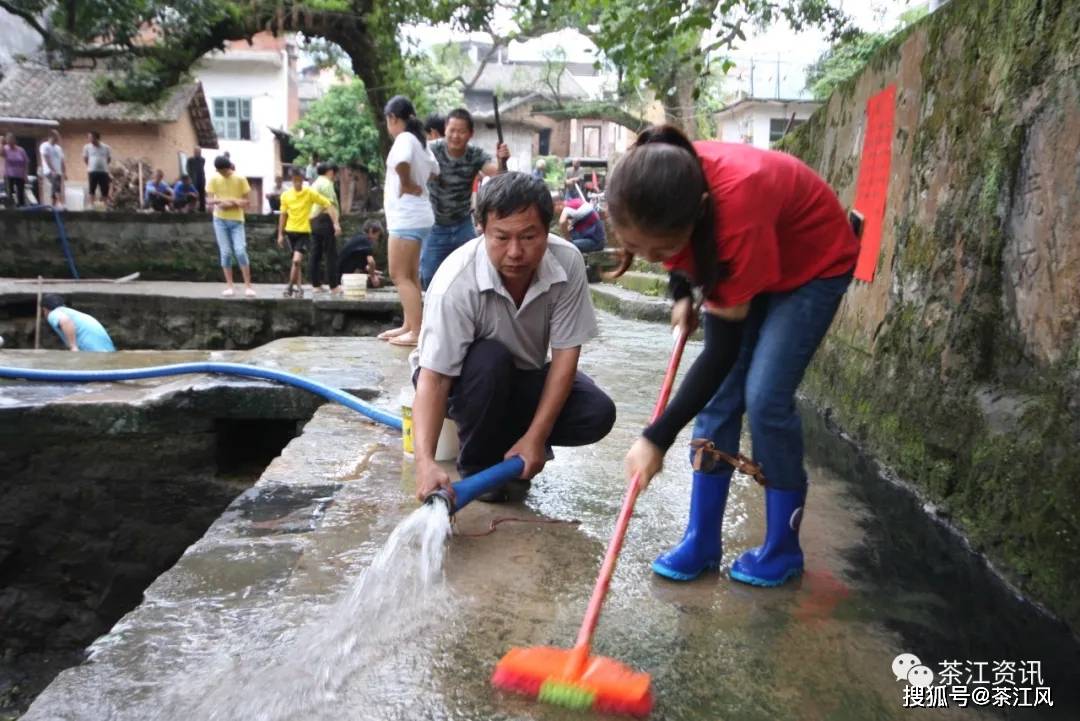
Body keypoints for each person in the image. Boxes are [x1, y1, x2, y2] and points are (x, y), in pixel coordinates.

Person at [608, 126, 859, 588]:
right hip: (758, 251)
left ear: (699, 214)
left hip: (812, 264)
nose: (650, 257)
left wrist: (656, 437)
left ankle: (782, 549)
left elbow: (721, 354)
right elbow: (673, 249)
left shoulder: (734, 210)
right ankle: (702, 539)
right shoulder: (655, 177)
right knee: (721, 400)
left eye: (661, 251)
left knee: (764, 398)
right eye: (635, 249)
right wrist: (680, 290)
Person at [412, 172, 616, 504]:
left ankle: (512, 444)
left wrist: (537, 437)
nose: (515, 252)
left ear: (548, 230)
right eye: (501, 237)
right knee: (491, 359)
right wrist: (426, 462)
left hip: (522, 377)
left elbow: (565, 358)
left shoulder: (568, 263)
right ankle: (479, 466)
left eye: (528, 236)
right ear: (482, 229)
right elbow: (434, 379)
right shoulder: (456, 282)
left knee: (595, 412)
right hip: (461, 383)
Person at [421, 107, 510, 289]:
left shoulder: (475, 154)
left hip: (462, 224)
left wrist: (502, 161)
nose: (455, 136)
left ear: (470, 134)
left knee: (475, 273)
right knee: (428, 275)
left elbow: (499, 177)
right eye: (452, 130)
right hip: (435, 226)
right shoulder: (431, 150)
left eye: (461, 131)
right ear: (445, 129)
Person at [378, 95, 438, 347]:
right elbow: (436, 171)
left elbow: (401, 163)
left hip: (407, 217)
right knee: (411, 276)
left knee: (399, 274)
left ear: (393, 118)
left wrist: (406, 183)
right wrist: (417, 182)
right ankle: (410, 324)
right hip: (418, 215)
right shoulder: (421, 142)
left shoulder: (404, 139)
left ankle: (416, 331)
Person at [277, 167, 341, 298]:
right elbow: (283, 215)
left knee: (297, 260)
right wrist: (280, 234)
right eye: (295, 181)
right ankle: (299, 288)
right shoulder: (286, 195)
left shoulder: (310, 192)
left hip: (304, 232)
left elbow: (328, 203)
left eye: (300, 181)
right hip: (290, 231)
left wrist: (334, 223)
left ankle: (289, 286)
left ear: (303, 180)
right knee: (298, 262)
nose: (298, 184)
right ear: (291, 181)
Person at [206, 155, 256, 297]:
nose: (224, 174)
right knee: (226, 252)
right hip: (219, 220)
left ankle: (248, 285)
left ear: (229, 167)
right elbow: (209, 200)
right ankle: (229, 286)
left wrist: (230, 203)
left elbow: (246, 202)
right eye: (221, 171)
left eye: (225, 171)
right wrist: (226, 201)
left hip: (236, 220)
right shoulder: (214, 179)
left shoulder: (240, 179)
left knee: (240, 250)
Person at [309, 162, 342, 295]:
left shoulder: (315, 183)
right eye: (335, 172)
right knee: (330, 253)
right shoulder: (327, 184)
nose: (335, 176)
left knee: (315, 253)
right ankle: (334, 286)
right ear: (329, 171)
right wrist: (336, 223)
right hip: (325, 220)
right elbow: (329, 205)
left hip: (314, 220)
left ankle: (316, 285)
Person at [41, 294, 115, 352]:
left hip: (94, 351)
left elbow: (65, 321)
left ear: (45, 309)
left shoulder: (53, 313)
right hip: (107, 350)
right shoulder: (71, 313)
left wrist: (73, 347)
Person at [337, 219, 385, 288]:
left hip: (339, 276)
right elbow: (371, 261)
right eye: (378, 235)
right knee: (379, 280)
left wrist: (372, 271)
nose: (377, 239)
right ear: (371, 231)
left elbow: (360, 263)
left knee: (378, 278)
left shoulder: (358, 238)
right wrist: (373, 277)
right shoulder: (366, 240)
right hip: (344, 277)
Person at [82, 131, 112, 206]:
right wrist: (91, 166)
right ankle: (92, 205)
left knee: (105, 189)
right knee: (92, 189)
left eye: (90, 137)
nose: (89, 139)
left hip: (103, 171)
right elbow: (85, 158)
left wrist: (103, 165)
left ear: (96, 138)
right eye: (88, 137)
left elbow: (108, 159)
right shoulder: (87, 147)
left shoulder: (106, 147)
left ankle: (104, 206)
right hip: (92, 171)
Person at [39, 130, 66, 208]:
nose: (57, 139)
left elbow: (62, 160)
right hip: (49, 170)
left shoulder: (58, 148)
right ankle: (60, 202)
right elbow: (46, 158)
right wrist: (52, 170)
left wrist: (64, 171)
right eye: (56, 137)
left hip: (58, 171)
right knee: (56, 185)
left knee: (55, 187)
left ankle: (53, 206)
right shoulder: (45, 146)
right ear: (51, 137)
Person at [2, 133, 29, 207]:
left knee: (20, 192)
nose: (10, 142)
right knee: (9, 192)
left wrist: (25, 174)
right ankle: (10, 208)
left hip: (19, 174)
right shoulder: (5, 148)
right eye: (8, 140)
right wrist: (1, 142)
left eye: (11, 140)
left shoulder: (21, 150)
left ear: (15, 140)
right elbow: (1, 153)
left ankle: (21, 207)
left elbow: (26, 162)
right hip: (9, 174)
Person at [186, 147, 207, 212]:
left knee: (202, 194)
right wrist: (190, 179)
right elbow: (188, 169)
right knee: (194, 194)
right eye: (197, 152)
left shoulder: (203, 159)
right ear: (194, 152)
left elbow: (202, 168)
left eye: (199, 152)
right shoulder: (190, 160)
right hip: (193, 179)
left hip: (201, 179)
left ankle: (202, 209)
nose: (198, 153)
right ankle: (192, 209)